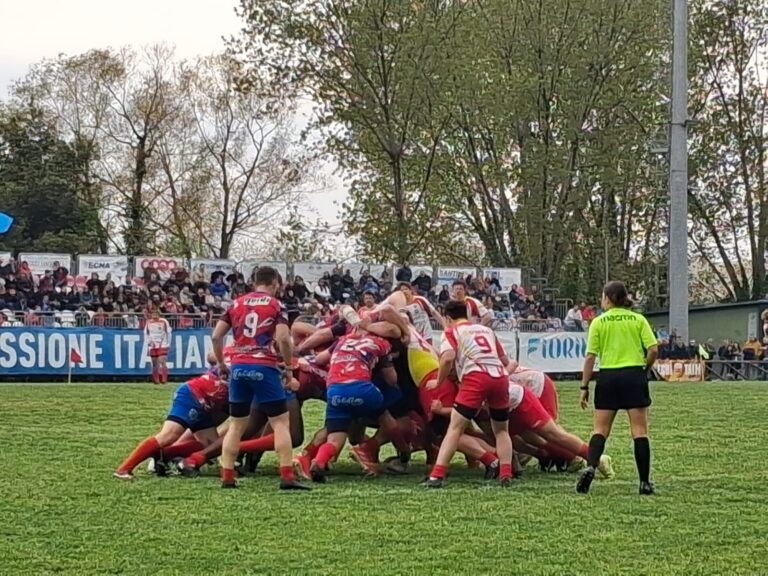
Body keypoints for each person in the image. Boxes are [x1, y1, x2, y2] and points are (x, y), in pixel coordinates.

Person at [211, 266, 309, 490]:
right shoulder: (276, 305)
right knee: (280, 422)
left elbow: (216, 336)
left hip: (239, 366)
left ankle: (227, 475)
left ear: (255, 281)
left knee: (236, 425)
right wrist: (287, 367)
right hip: (264, 366)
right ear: (274, 282)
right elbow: (284, 339)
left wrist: (221, 363)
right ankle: (286, 475)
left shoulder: (236, 304)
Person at [577, 281, 658, 495]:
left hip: (609, 376)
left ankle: (591, 467)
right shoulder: (638, 319)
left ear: (608, 298)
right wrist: (645, 369)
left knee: (600, 430)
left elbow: (590, 357)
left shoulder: (599, 322)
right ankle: (644, 482)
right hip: (634, 375)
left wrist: (584, 386)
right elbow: (653, 349)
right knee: (639, 431)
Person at [423, 300, 514, 488]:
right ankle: (506, 473)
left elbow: (448, 357)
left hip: (476, 377)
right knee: (501, 430)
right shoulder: (486, 330)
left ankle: (436, 475)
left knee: (455, 428)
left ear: (447, 317)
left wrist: (438, 381)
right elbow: (506, 360)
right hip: (499, 376)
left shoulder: (451, 332)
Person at [113, 358, 228, 480]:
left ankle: (164, 454)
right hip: (193, 395)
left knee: (213, 446)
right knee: (168, 435)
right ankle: (124, 469)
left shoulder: (238, 356)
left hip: (206, 402)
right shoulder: (241, 361)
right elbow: (212, 354)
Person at [144, 307, 172, 384]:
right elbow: (146, 333)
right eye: (153, 314)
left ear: (159, 314)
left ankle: (164, 379)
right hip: (153, 345)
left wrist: (168, 343)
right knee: (154, 363)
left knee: (162, 360)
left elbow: (169, 332)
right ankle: (156, 380)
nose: (154, 315)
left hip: (162, 344)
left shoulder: (164, 321)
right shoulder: (148, 322)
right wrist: (148, 342)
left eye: (156, 313)